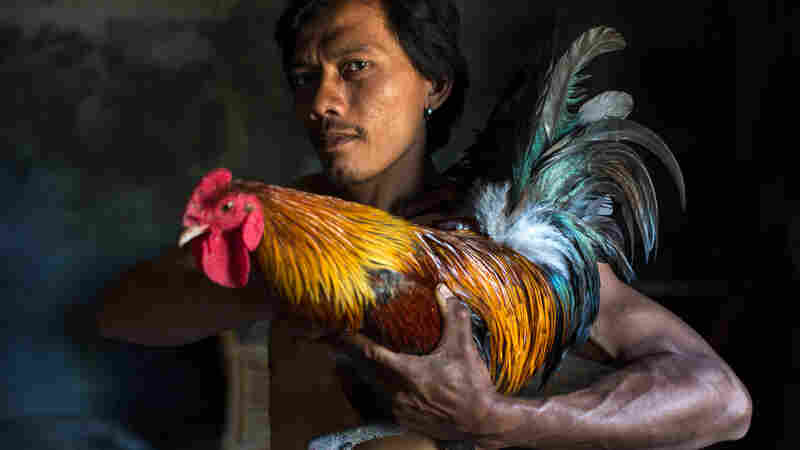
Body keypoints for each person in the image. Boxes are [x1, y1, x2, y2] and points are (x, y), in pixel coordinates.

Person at [98, 0, 752, 448]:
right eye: (304, 77)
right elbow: (121, 316)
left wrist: (501, 420)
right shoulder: (286, 229)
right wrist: (293, 278)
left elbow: (721, 400)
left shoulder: (500, 252)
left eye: (355, 67)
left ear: (434, 84)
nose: (322, 101)